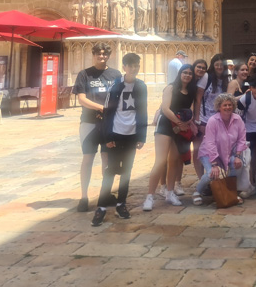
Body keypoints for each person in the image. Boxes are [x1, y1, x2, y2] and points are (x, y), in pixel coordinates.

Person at [91, 53, 148, 226]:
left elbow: (143, 111)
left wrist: (141, 136)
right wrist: (107, 137)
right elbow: (107, 112)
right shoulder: (116, 85)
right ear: (124, 67)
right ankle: (101, 207)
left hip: (132, 134)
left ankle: (121, 204)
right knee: (111, 170)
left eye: (136, 65)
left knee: (127, 171)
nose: (134, 68)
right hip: (116, 133)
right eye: (130, 65)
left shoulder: (141, 86)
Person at [73, 42, 121, 212]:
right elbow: (82, 99)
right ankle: (84, 197)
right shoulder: (84, 74)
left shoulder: (115, 74)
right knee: (88, 159)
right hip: (90, 123)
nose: (102, 56)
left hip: (109, 124)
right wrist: (102, 108)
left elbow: (120, 96)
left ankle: (105, 194)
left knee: (107, 159)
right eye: (99, 54)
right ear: (93, 55)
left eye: (105, 54)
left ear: (109, 55)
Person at [143, 64, 197, 211]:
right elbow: (165, 108)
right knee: (160, 161)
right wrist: (179, 122)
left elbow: (190, 109)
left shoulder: (191, 91)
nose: (187, 75)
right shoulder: (171, 88)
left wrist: (187, 122)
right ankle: (150, 196)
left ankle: (170, 192)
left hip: (180, 128)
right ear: (180, 74)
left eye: (190, 73)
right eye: (185, 72)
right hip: (166, 125)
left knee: (174, 160)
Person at [193, 93, 248, 205]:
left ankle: (230, 192)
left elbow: (241, 138)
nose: (228, 107)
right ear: (219, 107)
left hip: (226, 152)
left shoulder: (237, 119)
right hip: (208, 152)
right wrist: (214, 164)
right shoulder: (213, 121)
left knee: (237, 164)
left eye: (230, 105)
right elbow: (210, 142)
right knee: (211, 173)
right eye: (225, 105)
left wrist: (238, 156)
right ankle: (197, 192)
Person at [194, 54, 230, 179]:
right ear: (213, 65)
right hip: (203, 119)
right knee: (199, 149)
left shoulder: (226, 79)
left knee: (214, 148)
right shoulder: (207, 77)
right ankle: (201, 179)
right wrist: (197, 120)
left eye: (221, 65)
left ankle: (211, 177)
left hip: (217, 120)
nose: (219, 67)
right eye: (216, 64)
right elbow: (198, 98)